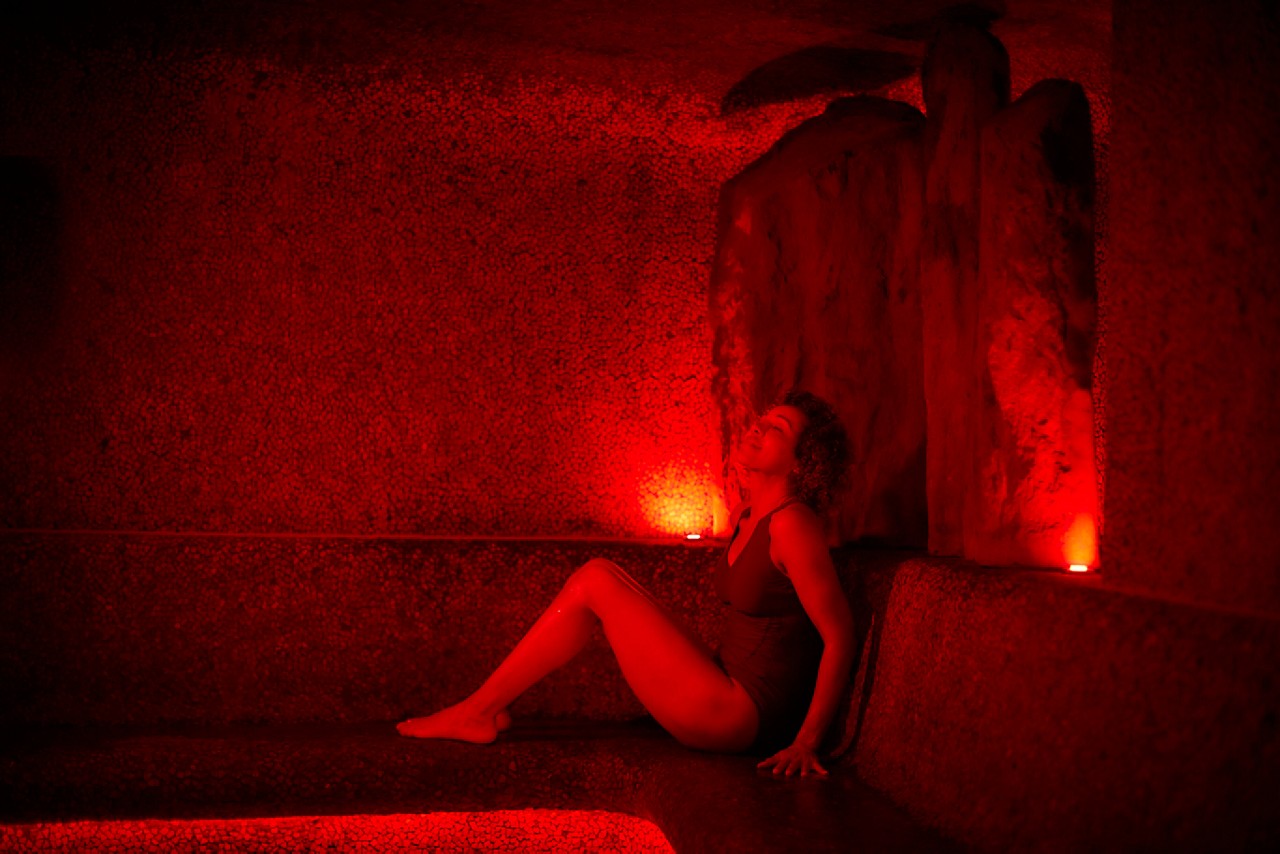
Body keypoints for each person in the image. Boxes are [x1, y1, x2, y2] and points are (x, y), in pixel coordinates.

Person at [397, 387, 856, 778]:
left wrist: (806, 742)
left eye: (777, 428)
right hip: (724, 685)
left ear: (803, 463)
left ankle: (476, 711)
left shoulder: (792, 524)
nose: (757, 427)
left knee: (597, 578)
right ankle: (483, 706)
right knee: (602, 576)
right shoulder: (746, 515)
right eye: (762, 419)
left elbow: (839, 636)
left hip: (743, 717)